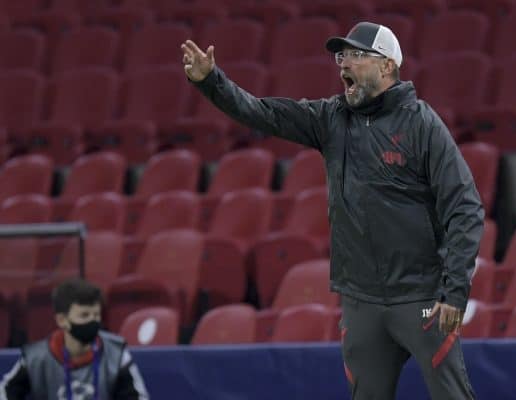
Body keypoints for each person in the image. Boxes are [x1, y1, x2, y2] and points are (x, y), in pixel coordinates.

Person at [181, 21, 484, 400]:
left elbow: (465, 207)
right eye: (342, 56)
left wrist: (454, 292)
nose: (344, 64)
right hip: (361, 302)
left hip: (421, 296)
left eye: (357, 55)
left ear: (387, 66)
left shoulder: (422, 124)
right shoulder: (330, 118)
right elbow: (263, 113)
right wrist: (212, 81)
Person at [0, 278, 149, 399]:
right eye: (84, 315)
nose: (92, 321)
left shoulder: (116, 354)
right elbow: (5, 392)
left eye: (96, 315)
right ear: (62, 320)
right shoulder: (36, 358)